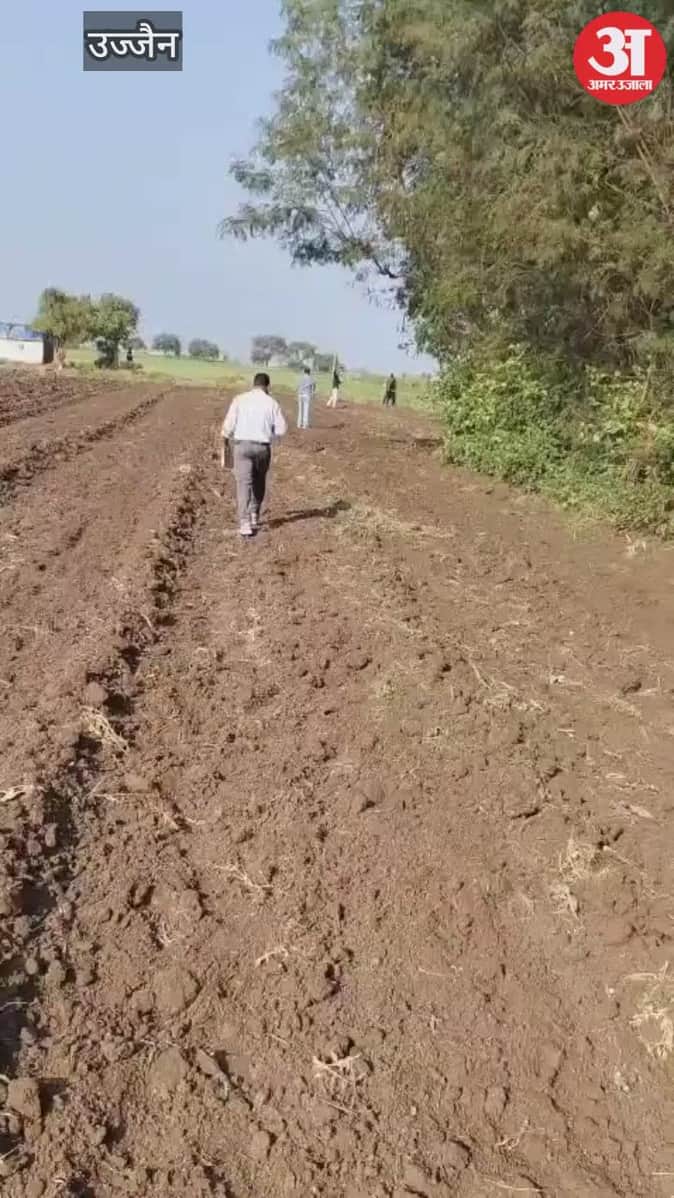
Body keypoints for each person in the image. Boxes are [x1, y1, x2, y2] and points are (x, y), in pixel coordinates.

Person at [221, 372, 288, 538]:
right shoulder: (272, 403)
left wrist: (225, 439)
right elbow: (281, 429)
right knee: (259, 481)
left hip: (241, 447)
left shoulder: (239, 399)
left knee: (243, 484)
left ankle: (244, 523)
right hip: (262, 448)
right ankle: (254, 515)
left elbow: (228, 425)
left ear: (254, 384)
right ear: (267, 386)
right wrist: (270, 432)